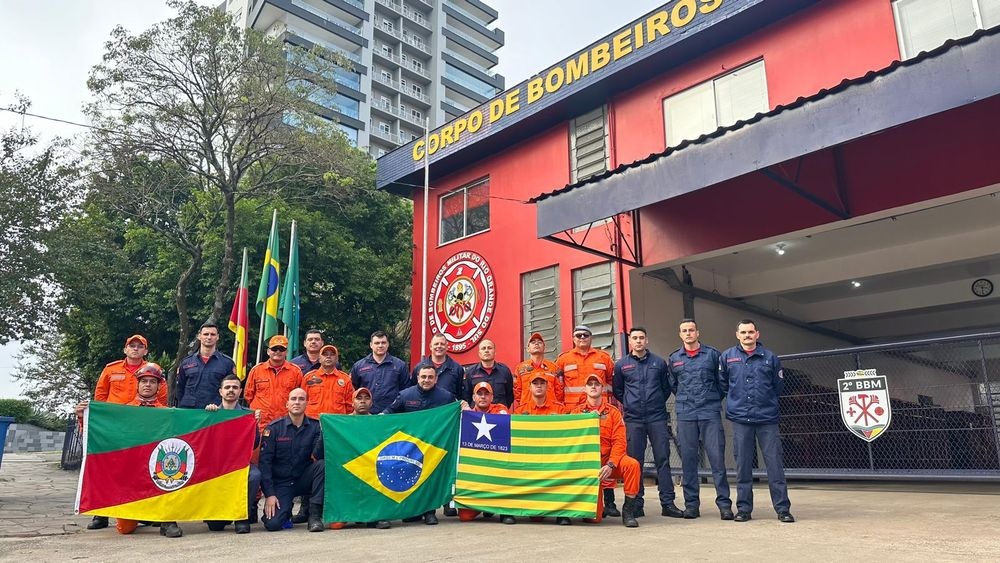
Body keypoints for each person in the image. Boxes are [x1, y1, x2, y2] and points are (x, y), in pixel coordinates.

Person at [79, 363, 184, 538]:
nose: (148, 385)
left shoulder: (168, 413)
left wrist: (212, 414)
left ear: (159, 387)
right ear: (137, 384)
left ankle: (168, 520)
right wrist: (84, 418)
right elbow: (98, 435)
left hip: (157, 471)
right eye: (144, 381)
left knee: (172, 477)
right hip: (131, 474)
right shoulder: (124, 412)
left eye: (152, 381)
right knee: (125, 529)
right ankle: (144, 516)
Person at [84, 334, 165, 530]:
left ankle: (144, 512)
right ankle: (101, 514)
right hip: (115, 428)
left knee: (144, 469)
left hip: (143, 426)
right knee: (108, 468)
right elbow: (101, 396)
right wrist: (102, 422)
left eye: (140, 346)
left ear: (145, 351)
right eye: (132, 345)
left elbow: (162, 396)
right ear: (125, 349)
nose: (135, 349)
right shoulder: (111, 369)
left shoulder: (153, 370)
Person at [719, 319, 795, 523]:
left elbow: (778, 386)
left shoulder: (770, 358)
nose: (747, 335)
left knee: (774, 464)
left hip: (766, 418)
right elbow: (723, 384)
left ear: (757, 334)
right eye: (743, 332)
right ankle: (743, 509)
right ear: (737, 334)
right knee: (743, 465)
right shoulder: (727, 357)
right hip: (740, 418)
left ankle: (782, 509)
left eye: (750, 332)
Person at [613, 326, 683, 519]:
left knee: (663, 459)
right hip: (634, 419)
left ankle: (667, 503)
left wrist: (656, 403)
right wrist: (630, 403)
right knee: (636, 462)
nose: (638, 341)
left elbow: (665, 388)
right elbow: (618, 390)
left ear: (647, 340)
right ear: (630, 341)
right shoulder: (622, 365)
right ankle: (636, 504)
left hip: (656, 418)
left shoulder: (659, 363)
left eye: (641, 337)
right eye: (634, 338)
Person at [667, 319, 732, 520]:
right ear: (680, 334)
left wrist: (710, 398)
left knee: (717, 460)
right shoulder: (674, 358)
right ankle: (691, 505)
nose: (688, 333)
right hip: (686, 413)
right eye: (684, 331)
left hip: (709, 411)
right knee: (688, 460)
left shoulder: (712, 355)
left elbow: (723, 383)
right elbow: (673, 384)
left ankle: (724, 505)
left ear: (698, 333)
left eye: (691, 330)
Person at [382, 365, 457, 525]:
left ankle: (429, 512)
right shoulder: (405, 395)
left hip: (435, 445)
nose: (426, 380)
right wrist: (374, 419)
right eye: (423, 377)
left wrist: (463, 405)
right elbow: (389, 412)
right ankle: (413, 511)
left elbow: (457, 414)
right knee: (411, 477)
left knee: (430, 478)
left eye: (430, 377)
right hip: (410, 446)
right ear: (417, 378)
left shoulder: (446, 397)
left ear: (436, 379)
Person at [556, 325, 616, 515]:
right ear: (573, 338)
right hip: (576, 417)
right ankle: (582, 499)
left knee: (604, 454)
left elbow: (613, 384)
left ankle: (610, 502)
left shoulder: (603, 358)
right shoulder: (563, 359)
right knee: (578, 457)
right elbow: (558, 388)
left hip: (600, 414)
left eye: (585, 335)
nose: (582, 337)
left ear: (591, 338)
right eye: (578, 335)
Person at [572, 374, 642, 527]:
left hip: (610, 460)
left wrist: (611, 464)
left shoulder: (613, 412)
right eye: (589, 384)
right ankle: (597, 507)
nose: (593, 386)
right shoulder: (576, 413)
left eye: (596, 384)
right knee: (593, 519)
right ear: (585, 389)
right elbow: (571, 441)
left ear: (602, 388)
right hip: (588, 464)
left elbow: (620, 441)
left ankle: (628, 511)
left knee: (632, 465)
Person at [259, 388, 326, 532]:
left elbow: (318, 455)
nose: (297, 402)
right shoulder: (274, 428)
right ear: (287, 404)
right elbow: (265, 464)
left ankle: (314, 516)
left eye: (301, 399)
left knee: (322, 466)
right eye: (293, 399)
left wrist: (323, 434)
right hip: (281, 483)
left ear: (306, 403)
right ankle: (286, 510)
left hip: (303, 479)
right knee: (273, 524)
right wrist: (269, 494)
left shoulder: (315, 427)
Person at [205, 374, 262, 533]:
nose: (231, 390)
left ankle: (241, 515)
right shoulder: (211, 413)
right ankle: (219, 510)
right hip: (217, 466)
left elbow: (255, 443)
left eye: (235, 387)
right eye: (227, 387)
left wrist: (255, 424)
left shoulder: (248, 415)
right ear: (220, 391)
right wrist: (207, 417)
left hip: (241, 465)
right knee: (215, 527)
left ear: (240, 391)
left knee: (255, 475)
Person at [513, 374, 568, 524]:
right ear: (529, 387)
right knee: (536, 517)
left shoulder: (560, 410)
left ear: (547, 387)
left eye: (542, 383)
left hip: (554, 459)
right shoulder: (520, 412)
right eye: (535, 383)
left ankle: (562, 512)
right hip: (530, 461)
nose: (538, 386)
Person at [458, 382, 513, 525]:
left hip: (498, 467)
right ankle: (485, 505)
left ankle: (502, 509)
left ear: (492, 397)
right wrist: (467, 413)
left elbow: (505, 422)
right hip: (476, 470)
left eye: (486, 394)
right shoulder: (466, 413)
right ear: (473, 397)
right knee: (465, 517)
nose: (483, 397)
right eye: (479, 394)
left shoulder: (500, 409)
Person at [244, 335, 303, 431]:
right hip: (261, 423)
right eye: (274, 349)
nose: (278, 352)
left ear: (286, 352)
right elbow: (248, 396)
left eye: (281, 349)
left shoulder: (296, 371)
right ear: (268, 351)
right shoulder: (256, 370)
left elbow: (301, 396)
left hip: (285, 423)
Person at [175, 322, 237, 409]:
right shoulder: (186, 362)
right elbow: (179, 389)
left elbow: (232, 388)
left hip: (215, 411)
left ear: (217, 337)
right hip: (189, 412)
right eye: (206, 334)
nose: (209, 337)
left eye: (212, 334)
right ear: (199, 336)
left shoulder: (227, 363)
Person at [350, 330, 410, 414]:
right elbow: (353, 391)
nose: (380, 345)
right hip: (366, 415)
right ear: (371, 345)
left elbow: (405, 392)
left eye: (383, 343)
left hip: (392, 415)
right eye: (377, 343)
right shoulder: (359, 366)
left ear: (388, 344)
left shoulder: (400, 365)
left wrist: (391, 410)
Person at [301, 344, 354, 418]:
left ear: (336, 359)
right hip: (313, 422)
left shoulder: (345, 379)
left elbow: (350, 406)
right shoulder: (308, 377)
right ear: (319, 358)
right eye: (325, 354)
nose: (328, 356)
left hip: (336, 423)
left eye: (332, 354)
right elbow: (302, 401)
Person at [513, 332, 563, 410]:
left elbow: (559, 392)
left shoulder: (554, 368)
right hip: (528, 412)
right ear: (528, 349)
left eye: (539, 342)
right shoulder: (520, 368)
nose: (536, 344)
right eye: (533, 342)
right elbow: (517, 393)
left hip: (550, 412)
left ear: (544, 348)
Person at [463, 339, 515, 408]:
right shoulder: (470, 372)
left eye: (489, 348)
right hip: (478, 415)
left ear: (495, 352)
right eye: (483, 348)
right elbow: (467, 396)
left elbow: (510, 395)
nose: (486, 350)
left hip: (499, 415)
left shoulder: (504, 371)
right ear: (479, 353)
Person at [411, 333, 464, 400]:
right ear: (430, 346)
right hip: (425, 408)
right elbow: (413, 391)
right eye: (436, 344)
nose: (439, 346)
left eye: (442, 344)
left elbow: (460, 395)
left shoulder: (457, 369)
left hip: (447, 408)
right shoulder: (419, 368)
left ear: (447, 347)